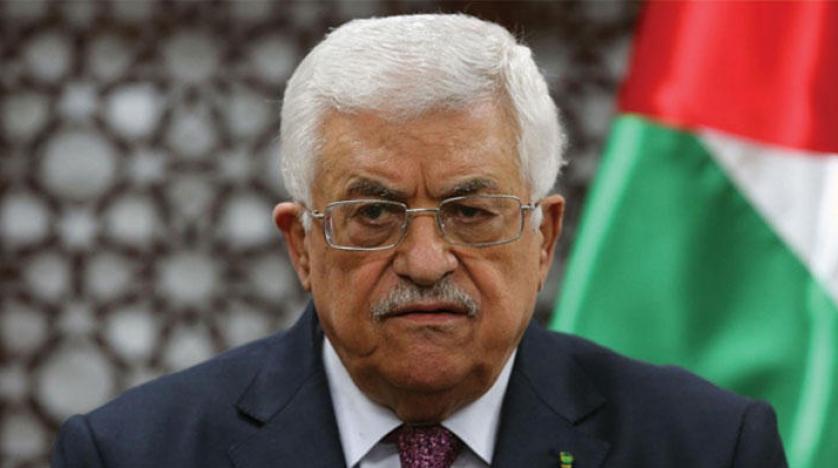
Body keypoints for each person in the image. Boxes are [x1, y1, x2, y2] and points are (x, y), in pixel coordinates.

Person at [52, 14, 787, 468]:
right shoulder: (132, 453)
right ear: (302, 246)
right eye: (373, 213)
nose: (427, 262)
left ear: (544, 238)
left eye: (472, 212)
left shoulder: (705, 447)